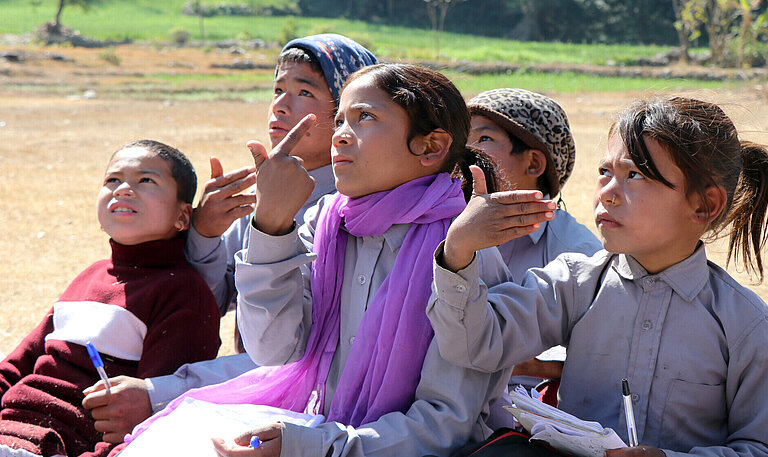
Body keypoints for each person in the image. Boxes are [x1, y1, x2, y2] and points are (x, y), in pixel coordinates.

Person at [118, 63, 555, 457]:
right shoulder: (326, 223)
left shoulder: (462, 253)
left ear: (431, 146)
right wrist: (271, 226)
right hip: (321, 432)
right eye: (340, 119)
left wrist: (312, 446)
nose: (341, 135)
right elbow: (273, 349)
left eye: (365, 117)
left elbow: (446, 426)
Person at [427, 96, 768, 457]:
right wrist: (459, 249)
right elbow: (473, 345)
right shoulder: (575, 282)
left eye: (634, 175)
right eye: (605, 172)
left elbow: (758, 447)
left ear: (704, 205)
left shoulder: (744, 325)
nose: (607, 193)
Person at [81, 34, 377, 444]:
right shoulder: (258, 197)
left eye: (304, 91)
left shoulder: (361, 213)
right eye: (277, 89)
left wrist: (159, 394)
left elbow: (294, 358)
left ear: (348, 113)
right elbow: (204, 306)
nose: (280, 104)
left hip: (313, 416)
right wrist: (204, 233)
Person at [0, 140, 221, 457]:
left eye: (146, 180)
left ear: (183, 216)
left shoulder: (183, 294)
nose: (124, 190)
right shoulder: (91, 274)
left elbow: (153, 421)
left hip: (51, 446)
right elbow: (17, 365)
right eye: (112, 180)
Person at [467, 88, 602, 391]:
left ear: (533, 165)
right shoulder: (443, 229)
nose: (466, 152)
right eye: (463, 140)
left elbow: (608, 362)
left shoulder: (578, 255)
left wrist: (528, 364)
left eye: (483, 139)